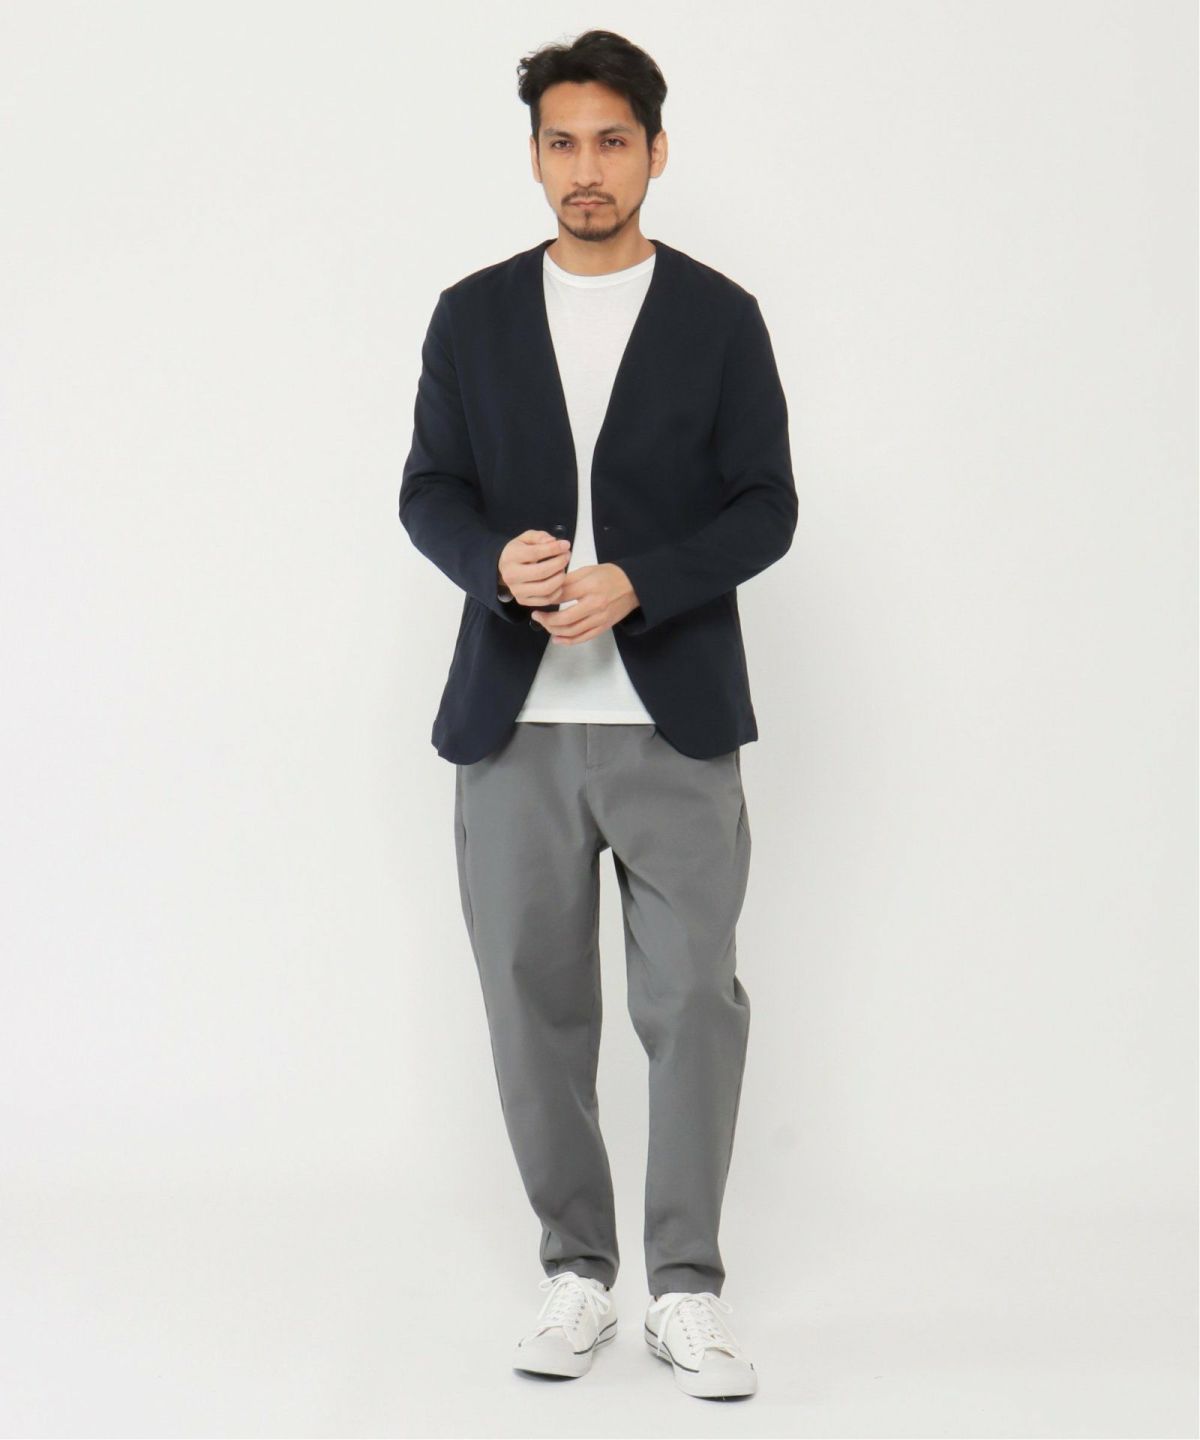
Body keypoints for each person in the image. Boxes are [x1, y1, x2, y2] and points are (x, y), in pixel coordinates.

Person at [399, 28, 797, 1402]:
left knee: (695, 1005)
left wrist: (644, 581)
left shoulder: (719, 316)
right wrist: (489, 564)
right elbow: (429, 489)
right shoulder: (472, 314)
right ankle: (577, 1274)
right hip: (512, 724)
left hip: (671, 719)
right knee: (533, 1008)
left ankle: (686, 1291)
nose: (587, 167)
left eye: (612, 141)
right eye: (562, 142)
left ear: (656, 151)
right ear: (534, 157)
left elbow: (766, 505)